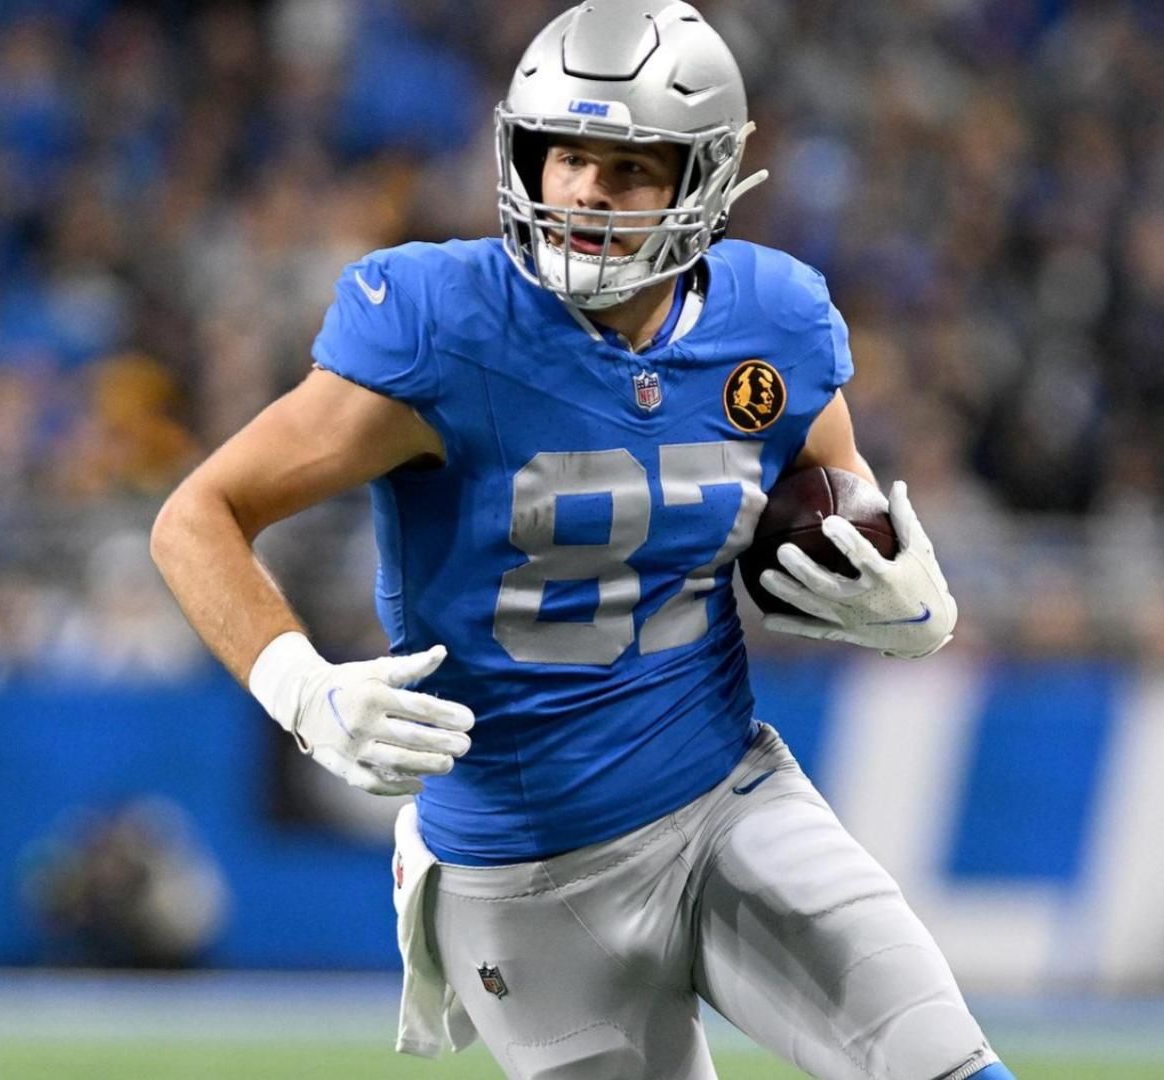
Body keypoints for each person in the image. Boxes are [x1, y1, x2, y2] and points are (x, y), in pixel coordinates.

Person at [151, 3, 1012, 1077]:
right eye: (565, 157)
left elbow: (826, 505)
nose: (587, 193)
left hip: (726, 804)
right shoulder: (442, 326)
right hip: (523, 875)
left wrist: (908, 604)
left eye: (630, 167)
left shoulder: (776, 324)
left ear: (703, 182)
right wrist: (302, 689)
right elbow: (197, 516)